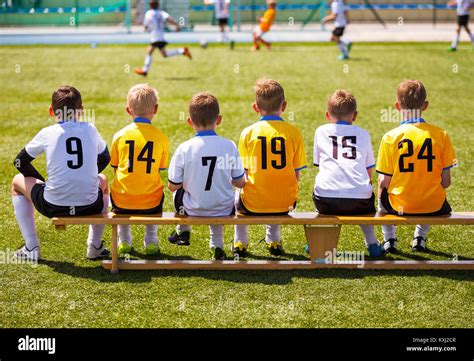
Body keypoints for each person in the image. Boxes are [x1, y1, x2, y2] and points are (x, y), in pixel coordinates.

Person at [12, 86, 110, 261]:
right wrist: (88, 174)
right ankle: (94, 246)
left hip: (52, 204)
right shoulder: (91, 129)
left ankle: (31, 247)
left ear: (51, 111)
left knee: (16, 182)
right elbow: (105, 157)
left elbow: (19, 162)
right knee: (103, 180)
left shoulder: (47, 133)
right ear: (81, 111)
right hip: (90, 205)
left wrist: (40, 182)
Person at [376, 80, 456, 253]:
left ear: (397, 106)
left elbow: (385, 183)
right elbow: (446, 182)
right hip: (434, 207)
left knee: (380, 182)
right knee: (430, 186)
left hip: (399, 206)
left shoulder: (390, 137)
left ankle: (389, 239)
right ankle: (419, 237)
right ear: (425, 105)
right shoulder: (441, 135)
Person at [233, 79, 307, 257]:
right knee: (277, 185)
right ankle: (273, 239)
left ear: (255, 107)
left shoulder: (248, 133)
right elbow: (295, 175)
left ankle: (240, 242)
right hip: (286, 203)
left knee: (237, 191)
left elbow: (244, 173)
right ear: (284, 105)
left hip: (253, 204)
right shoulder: (294, 132)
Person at [167, 92, 246, 260]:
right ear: (218, 120)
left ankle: (183, 230)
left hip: (192, 209)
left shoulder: (185, 148)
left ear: (190, 121)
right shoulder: (229, 145)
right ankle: (217, 246)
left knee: (177, 190)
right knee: (220, 194)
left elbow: (173, 185)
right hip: (224, 208)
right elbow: (240, 183)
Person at [313, 90, 383, 257]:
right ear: (355, 115)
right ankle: (372, 243)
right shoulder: (363, 133)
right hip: (359, 201)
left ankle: (318, 242)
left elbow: (319, 164)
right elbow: (368, 170)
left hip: (326, 199)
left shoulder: (321, 131)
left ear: (327, 115)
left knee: (326, 192)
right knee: (363, 201)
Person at [110, 84, 170, 256]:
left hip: (122, 202)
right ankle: (151, 240)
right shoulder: (161, 137)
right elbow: (160, 169)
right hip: (150, 202)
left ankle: (124, 241)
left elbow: (115, 168)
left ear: (128, 110)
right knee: (157, 189)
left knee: (120, 188)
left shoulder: (120, 135)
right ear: (156, 109)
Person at [134, 0, 192, 77]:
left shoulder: (149, 13)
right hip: (160, 35)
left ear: (150, 6)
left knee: (149, 52)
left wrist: (145, 28)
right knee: (164, 54)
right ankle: (182, 51)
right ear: (158, 5)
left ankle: (145, 71)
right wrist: (176, 25)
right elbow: (169, 19)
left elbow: (146, 24)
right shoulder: (161, 12)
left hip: (155, 36)